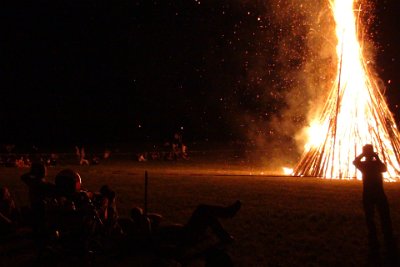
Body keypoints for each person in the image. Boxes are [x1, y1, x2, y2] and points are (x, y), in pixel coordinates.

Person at [353, 144, 397, 263]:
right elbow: (384, 168)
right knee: (383, 216)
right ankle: (387, 239)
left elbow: (355, 162)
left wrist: (363, 155)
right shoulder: (375, 164)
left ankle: (375, 240)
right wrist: (375, 157)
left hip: (368, 194)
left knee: (371, 218)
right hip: (379, 193)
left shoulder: (364, 165)